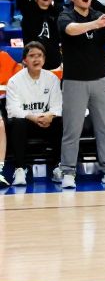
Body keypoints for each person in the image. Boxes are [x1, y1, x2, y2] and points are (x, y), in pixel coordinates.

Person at [56, 0, 105, 189]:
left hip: (99, 80)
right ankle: (68, 171)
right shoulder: (66, 14)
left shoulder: (98, 14)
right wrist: (96, 24)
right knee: (72, 130)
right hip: (74, 82)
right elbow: (71, 30)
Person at [4, 42, 62, 187]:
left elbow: (58, 105)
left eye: (40, 56)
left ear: (44, 59)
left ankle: (58, 167)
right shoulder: (14, 81)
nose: (36, 59)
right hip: (27, 123)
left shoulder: (52, 79)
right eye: (32, 56)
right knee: (16, 122)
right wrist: (33, 117)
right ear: (24, 60)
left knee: (61, 121)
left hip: (47, 122)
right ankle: (20, 169)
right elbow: (12, 109)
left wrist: (50, 115)